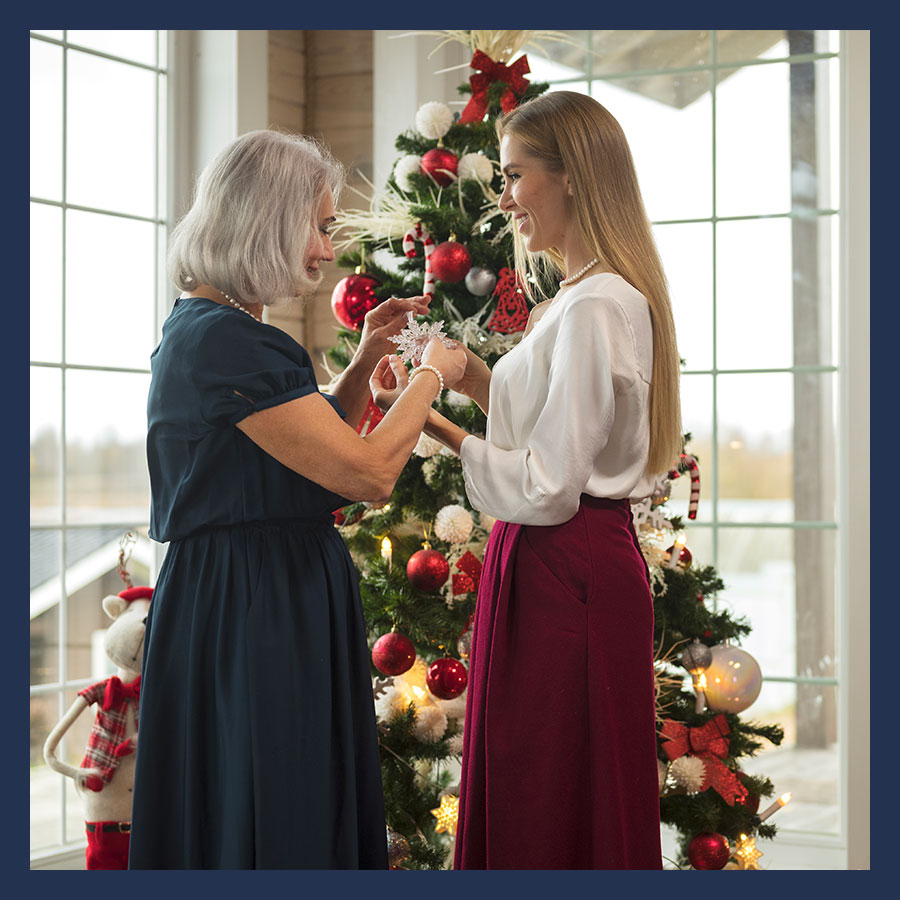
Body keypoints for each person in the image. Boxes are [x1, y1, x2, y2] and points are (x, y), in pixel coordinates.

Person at [128, 129, 466, 870]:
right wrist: (431, 375)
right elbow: (369, 474)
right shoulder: (234, 344)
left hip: (239, 594)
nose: (325, 249)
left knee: (247, 800)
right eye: (317, 227)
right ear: (268, 222)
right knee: (281, 800)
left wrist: (368, 356)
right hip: (258, 605)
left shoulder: (212, 329)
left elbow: (304, 458)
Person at [373, 91, 682, 869]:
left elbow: (549, 481)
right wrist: (466, 375)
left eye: (514, 176)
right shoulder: (579, 301)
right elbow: (545, 419)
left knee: (548, 788)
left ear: (571, 176)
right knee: (546, 779)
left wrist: (428, 423)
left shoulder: (592, 308)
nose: (503, 197)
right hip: (559, 563)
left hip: (564, 564)